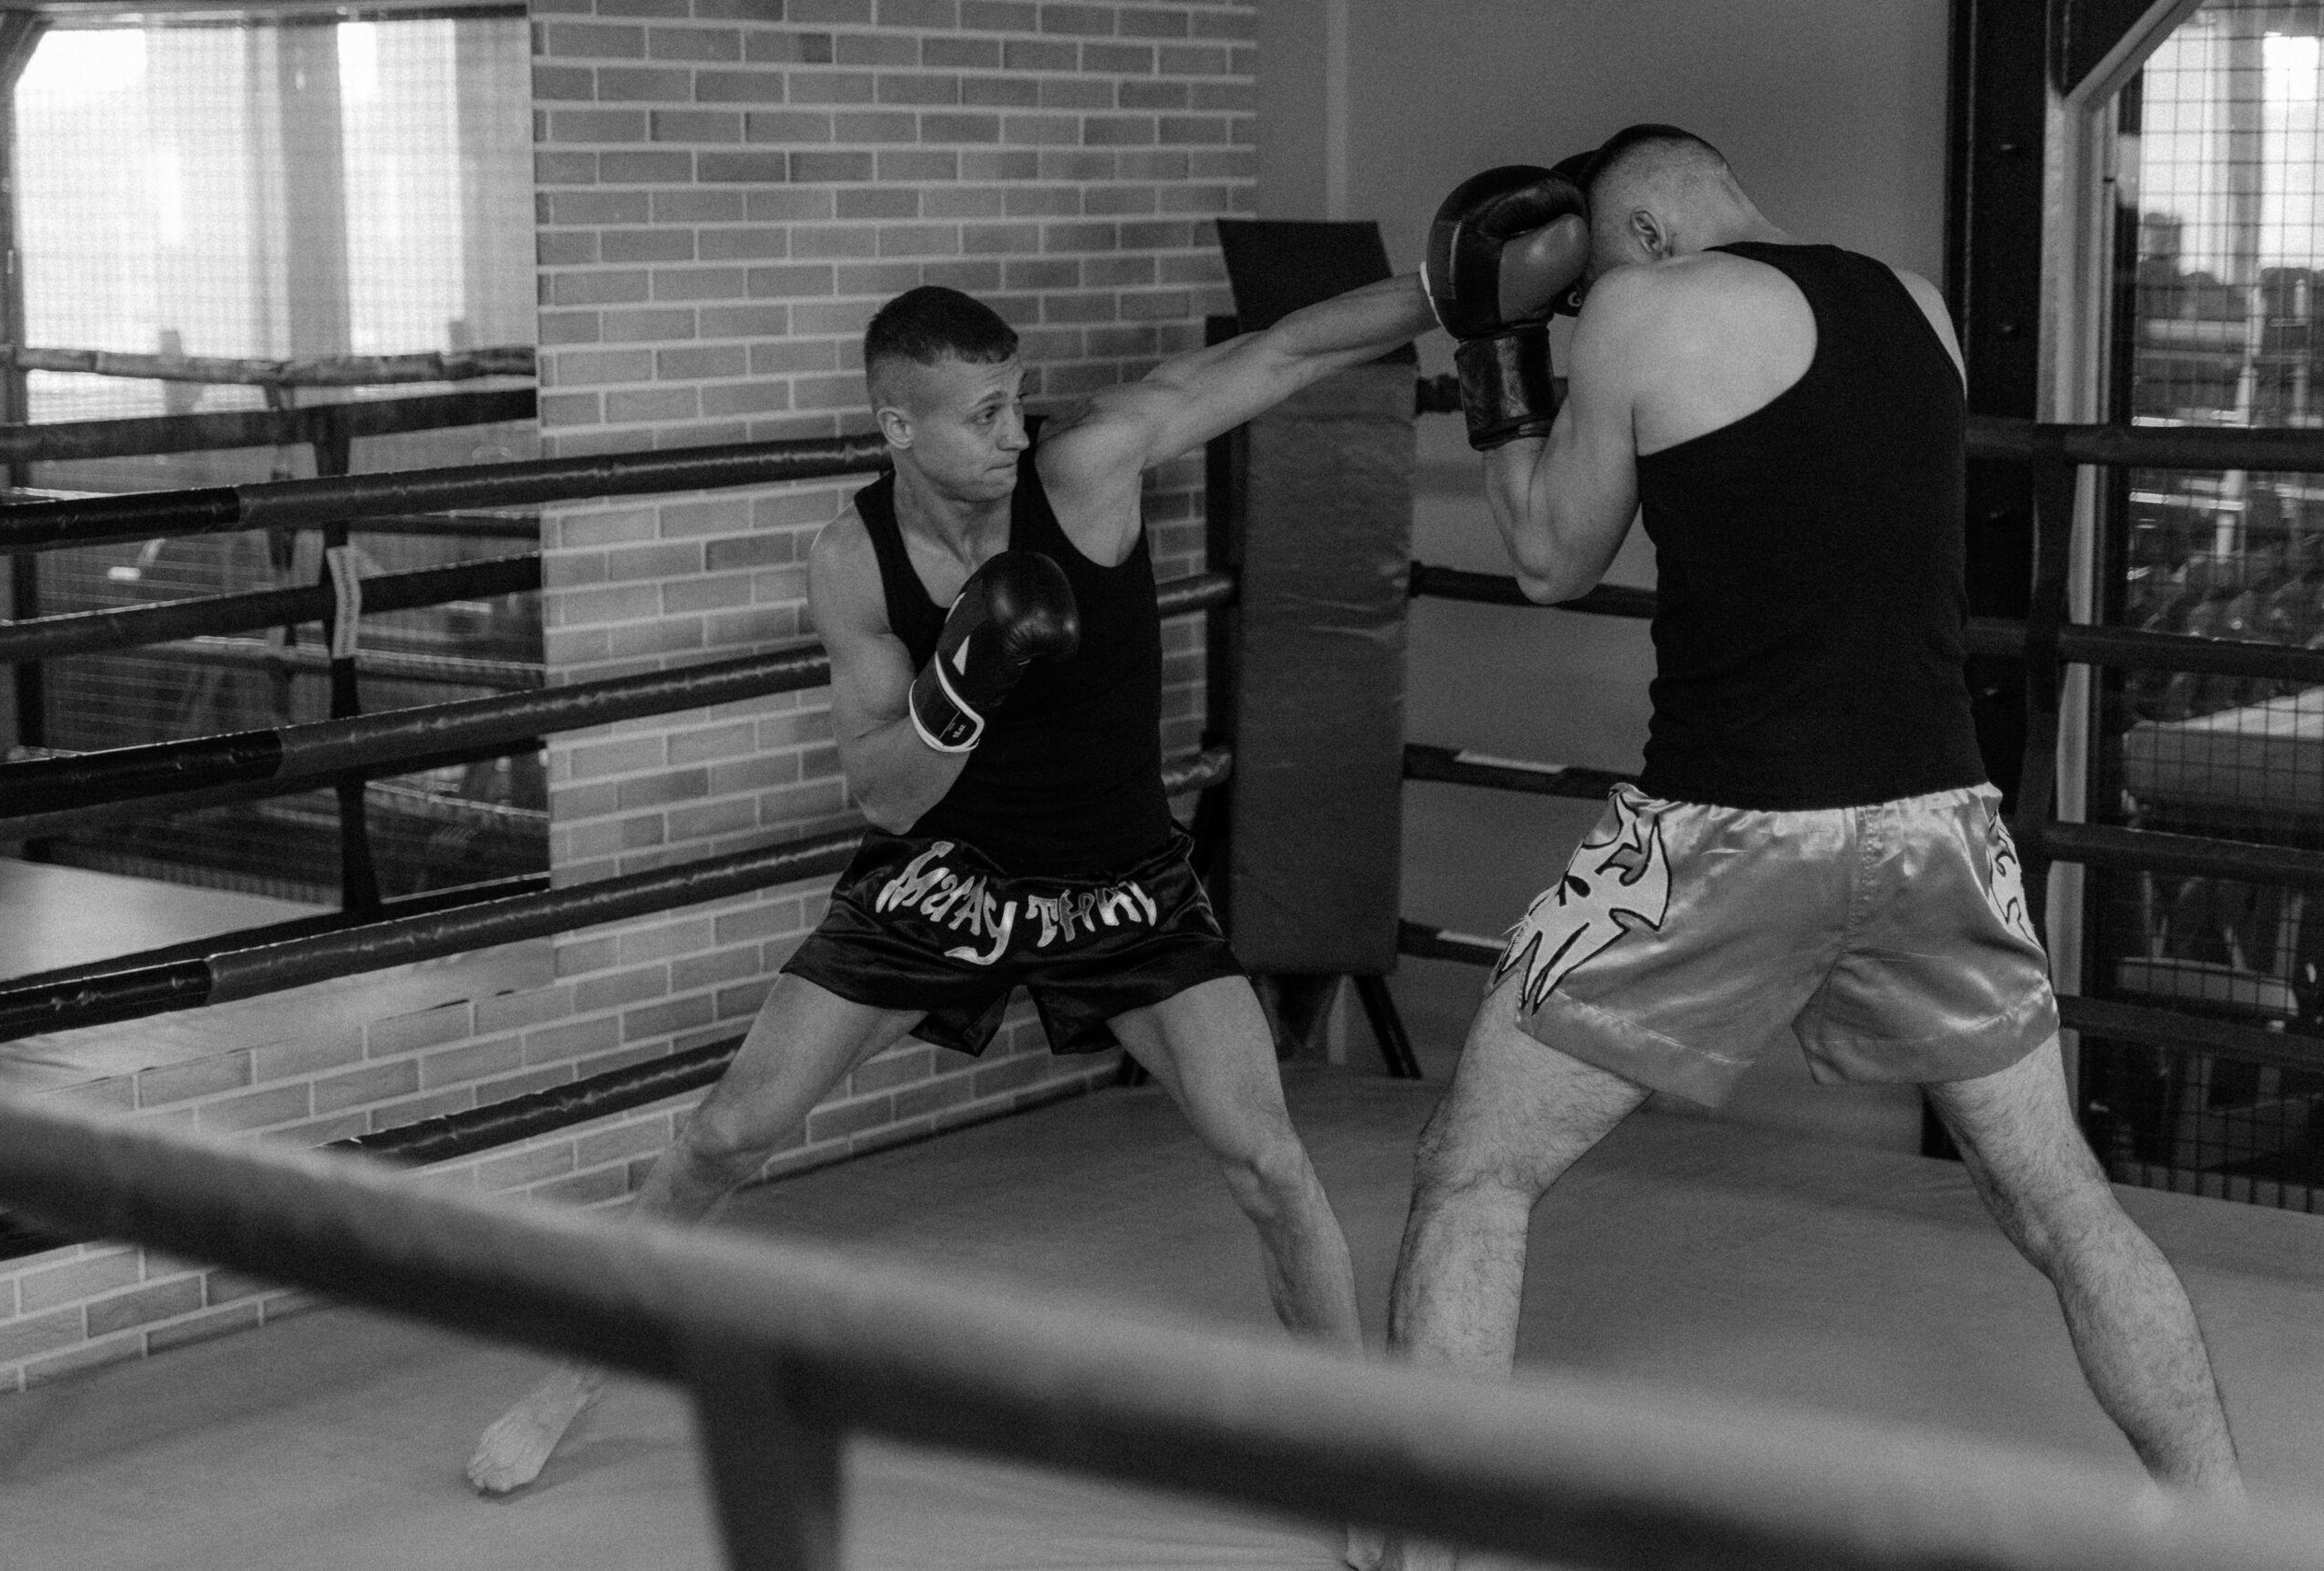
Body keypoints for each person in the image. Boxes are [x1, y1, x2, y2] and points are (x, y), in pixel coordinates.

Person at [1376, 124, 2240, 1567]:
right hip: (1939, 825)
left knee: (1476, 1174)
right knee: (2059, 1197)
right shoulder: (1920, 306)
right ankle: (2225, 1525)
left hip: (1721, 835)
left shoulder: (1645, 304)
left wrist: (1500, 361)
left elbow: (1547, 558)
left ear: (1643, 233)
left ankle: (1423, 1544)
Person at [468, 279, 1433, 1507]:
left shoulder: (1086, 470)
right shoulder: (852, 560)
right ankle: (567, 1381)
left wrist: (1440, 291)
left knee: (1269, 1160)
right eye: (984, 415)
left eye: (1017, 402)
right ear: (898, 426)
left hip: (1117, 878)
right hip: (943, 879)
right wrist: (960, 690)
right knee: (725, 1135)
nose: (1016, 434)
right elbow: (882, 795)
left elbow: (1285, 352)